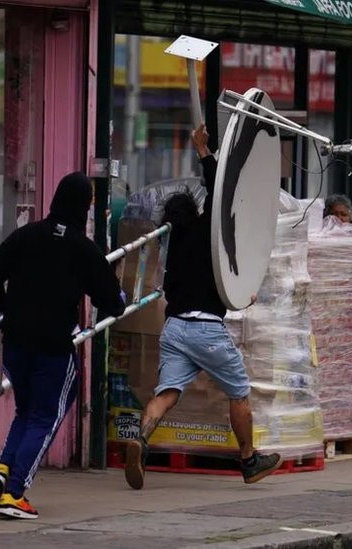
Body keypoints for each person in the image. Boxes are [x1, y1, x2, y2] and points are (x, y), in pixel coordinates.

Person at [123, 123, 282, 490]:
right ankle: (249, 460)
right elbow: (219, 190)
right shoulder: (206, 232)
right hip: (206, 329)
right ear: (194, 211)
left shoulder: (172, 249)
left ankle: (141, 440)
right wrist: (203, 151)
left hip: (175, 327)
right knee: (239, 392)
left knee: (167, 393)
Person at [0, 171, 126, 519]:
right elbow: (111, 301)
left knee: (26, 410)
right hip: (53, 347)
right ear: (83, 207)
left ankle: (3, 469)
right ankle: (15, 492)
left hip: (16, 341)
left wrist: (7, 306)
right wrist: (114, 298)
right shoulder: (82, 248)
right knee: (46, 416)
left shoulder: (26, 236)